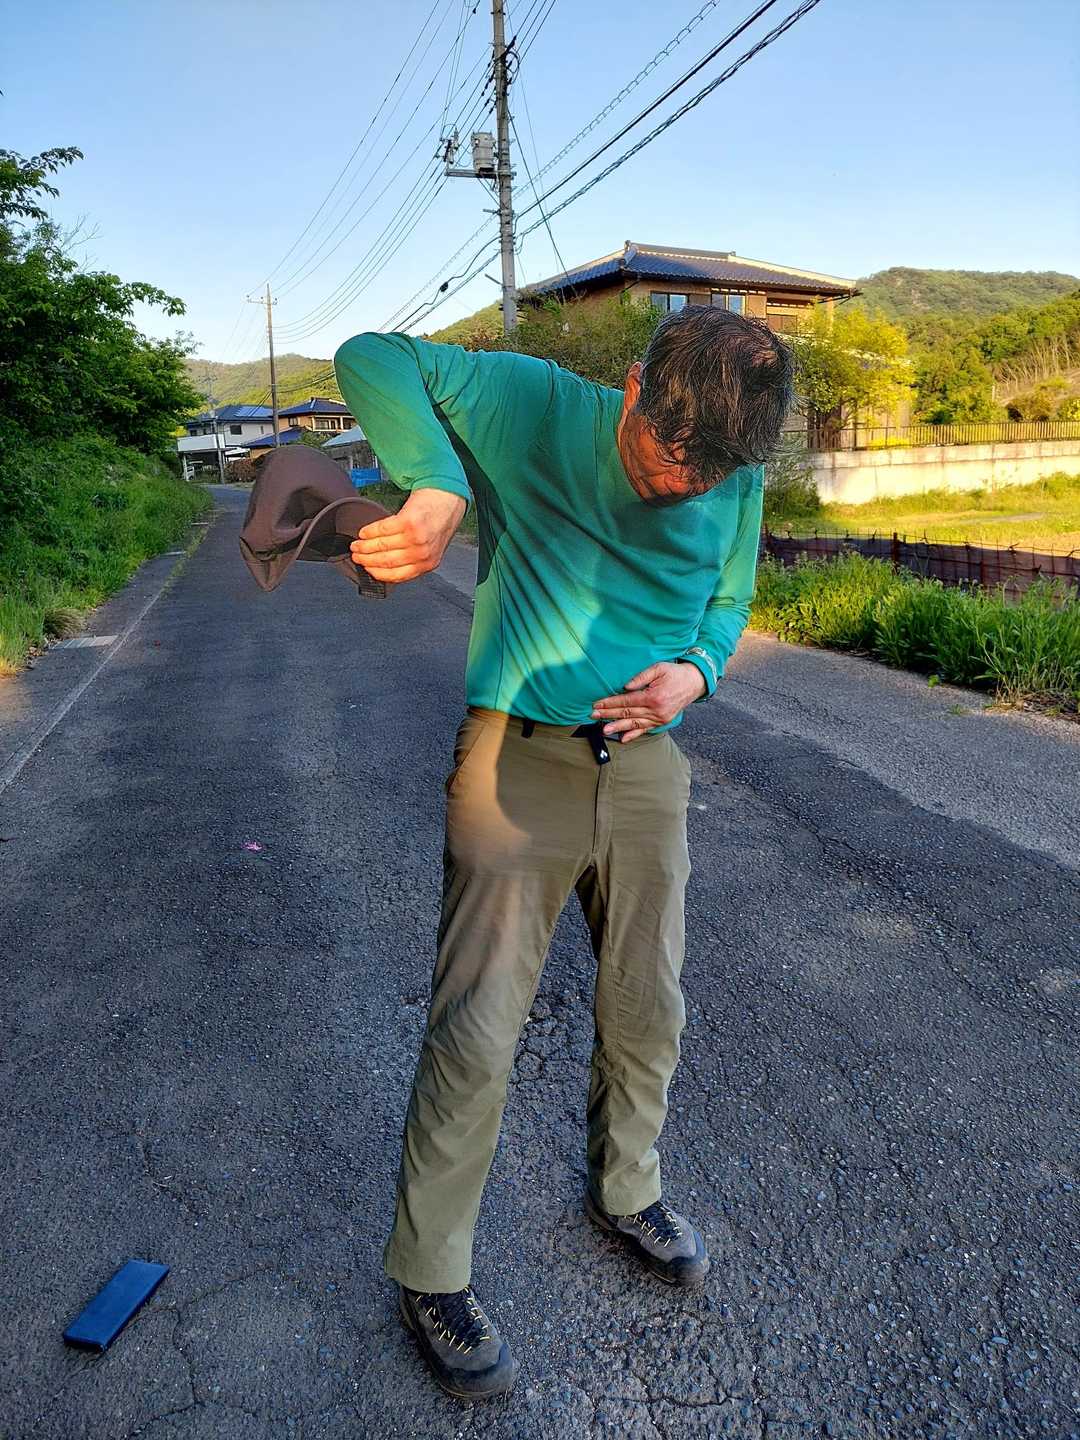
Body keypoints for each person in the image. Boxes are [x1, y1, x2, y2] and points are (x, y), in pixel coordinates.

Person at [334, 305, 794, 1400]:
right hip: (518, 760)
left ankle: (627, 1190)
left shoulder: (731, 471)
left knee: (648, 1004)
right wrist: (436, 484)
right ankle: (431, 1271)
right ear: (633, 387)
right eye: (670, 457)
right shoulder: (537, 406)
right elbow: (372, 358)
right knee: (478, 1026)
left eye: (712, 472)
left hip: (647, 769)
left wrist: (697, 674)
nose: (685, 486)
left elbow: (729, 601)